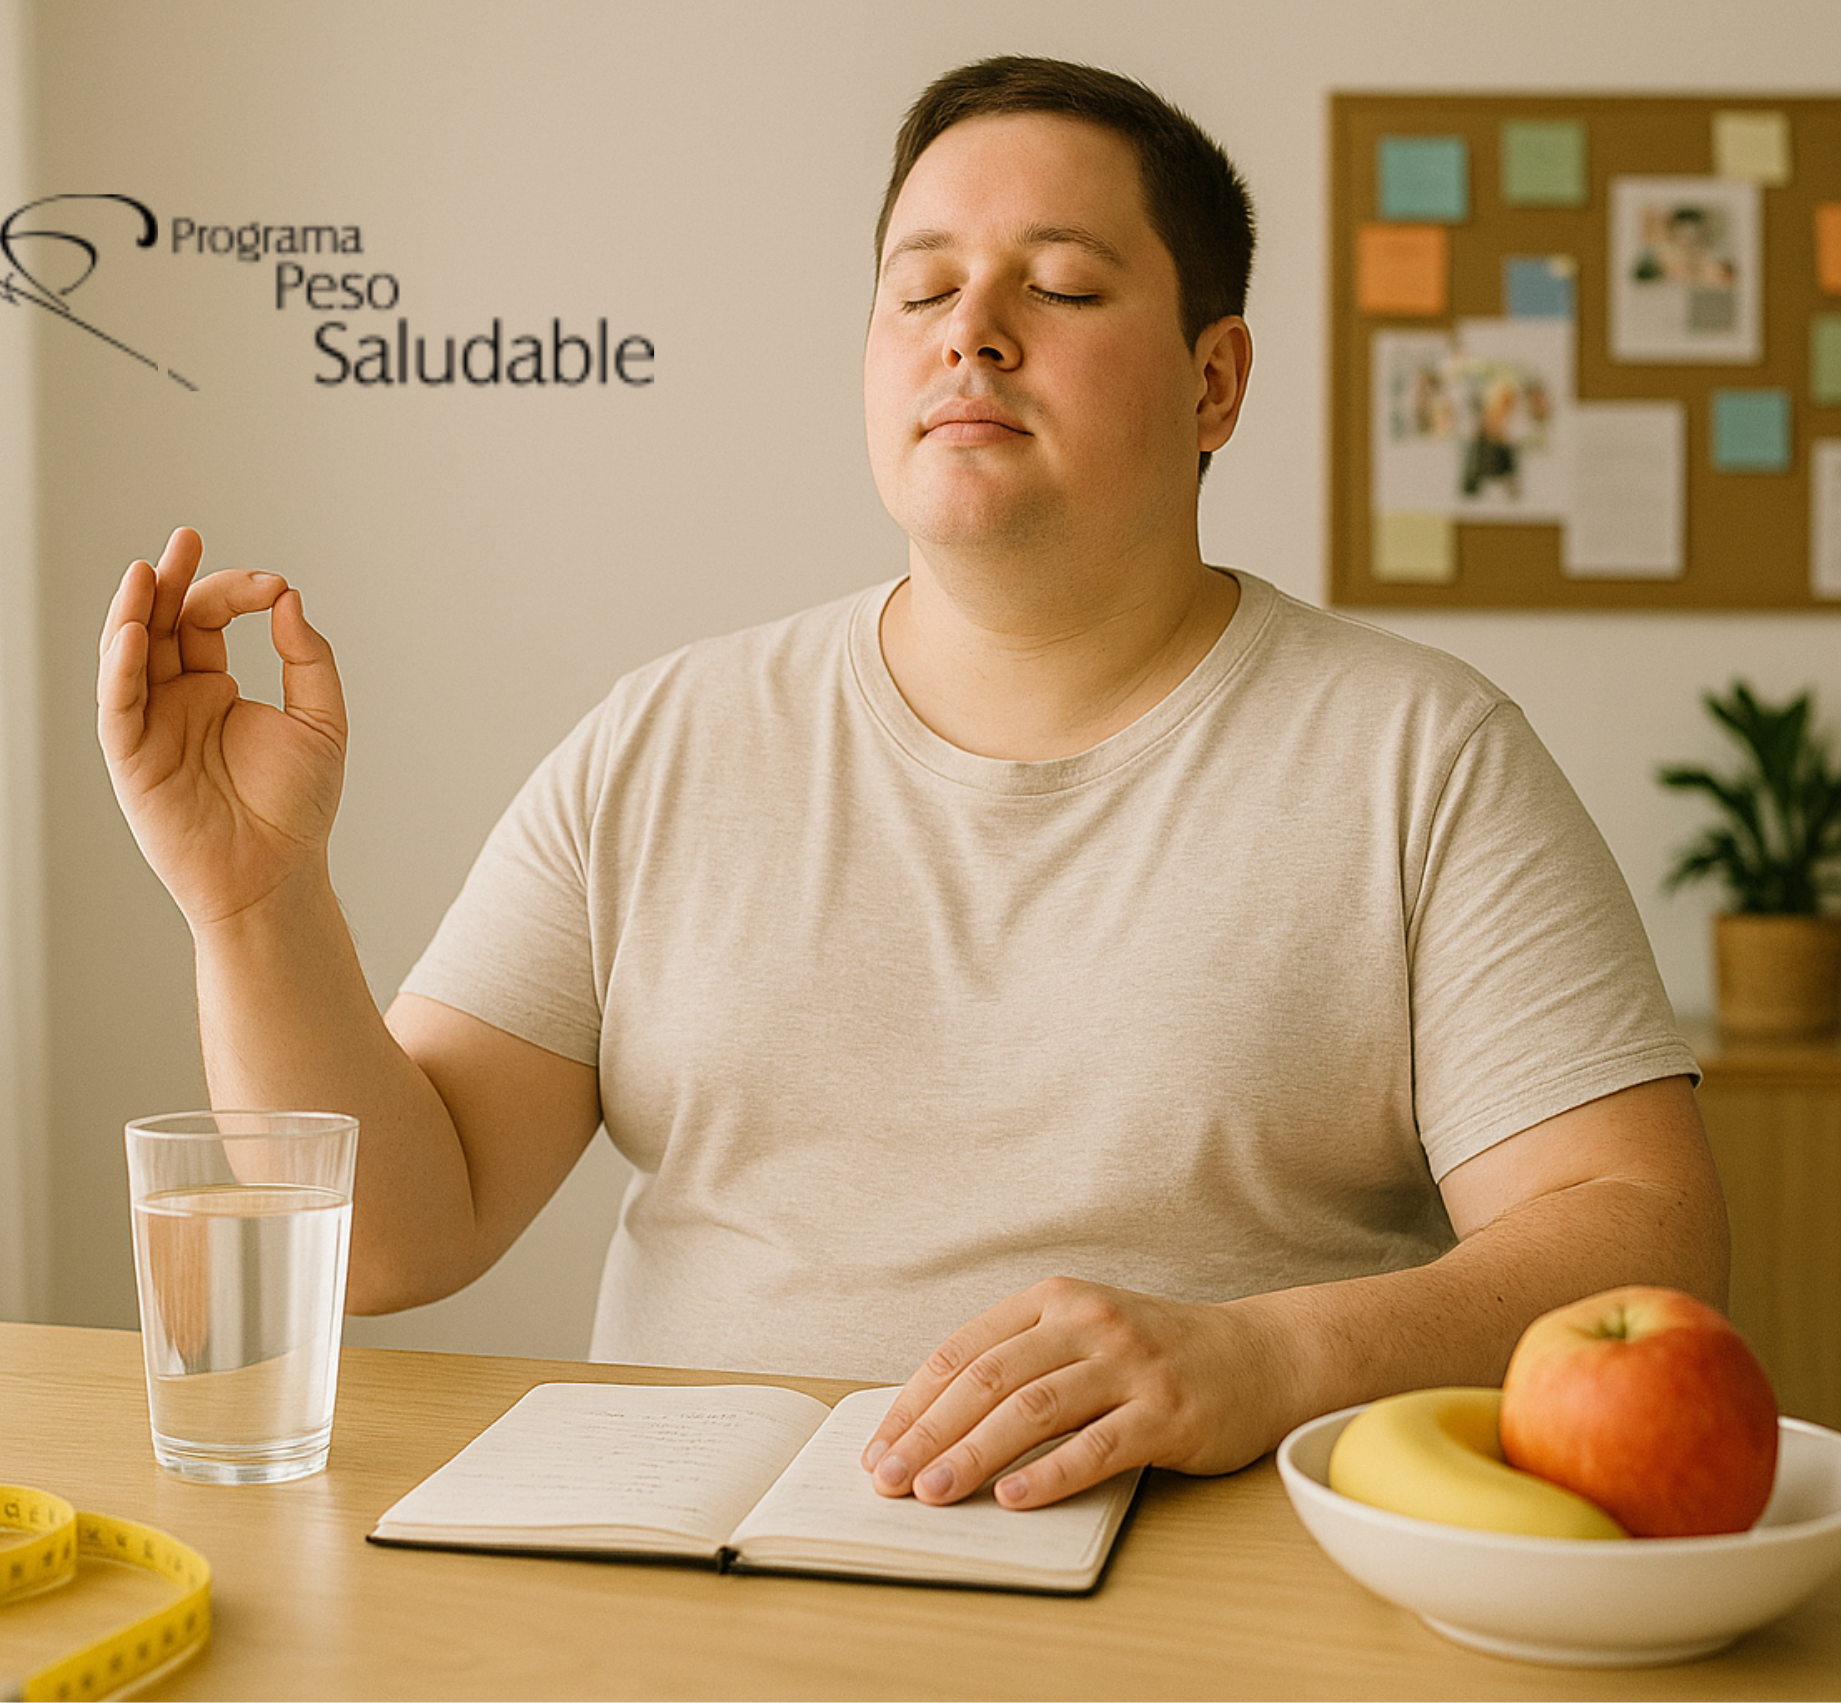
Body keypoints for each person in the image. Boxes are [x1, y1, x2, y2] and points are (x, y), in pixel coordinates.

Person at [96, 55, 1726, 1517]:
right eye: (920, 288)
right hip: (694, 1594)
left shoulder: (1421, 756)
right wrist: (255, 899)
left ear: (1217, 380)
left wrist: (1263, 1358)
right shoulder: (664, 737)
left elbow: (1642, 1234)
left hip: (1204, 1591)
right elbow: (395, 1233)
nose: (971, 330)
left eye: (1065, 289)